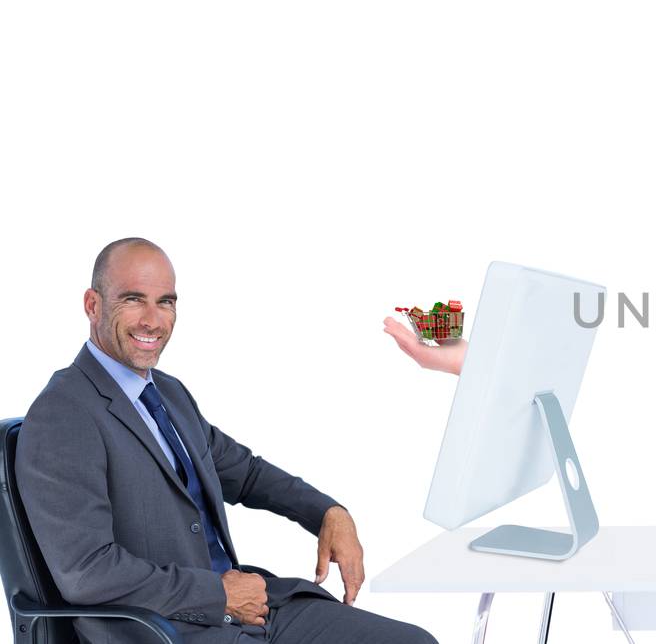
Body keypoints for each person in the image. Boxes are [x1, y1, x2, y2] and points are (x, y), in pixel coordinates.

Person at [17, 238, 437, 644]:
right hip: (167, 629)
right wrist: (219, 595)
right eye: (133, 299)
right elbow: (87, 571)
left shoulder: (168, 394)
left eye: (166, 302)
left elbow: (247, 473)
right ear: (93, 305)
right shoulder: (64, 414)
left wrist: (328, 511)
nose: (152, 319)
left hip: (249, 613)